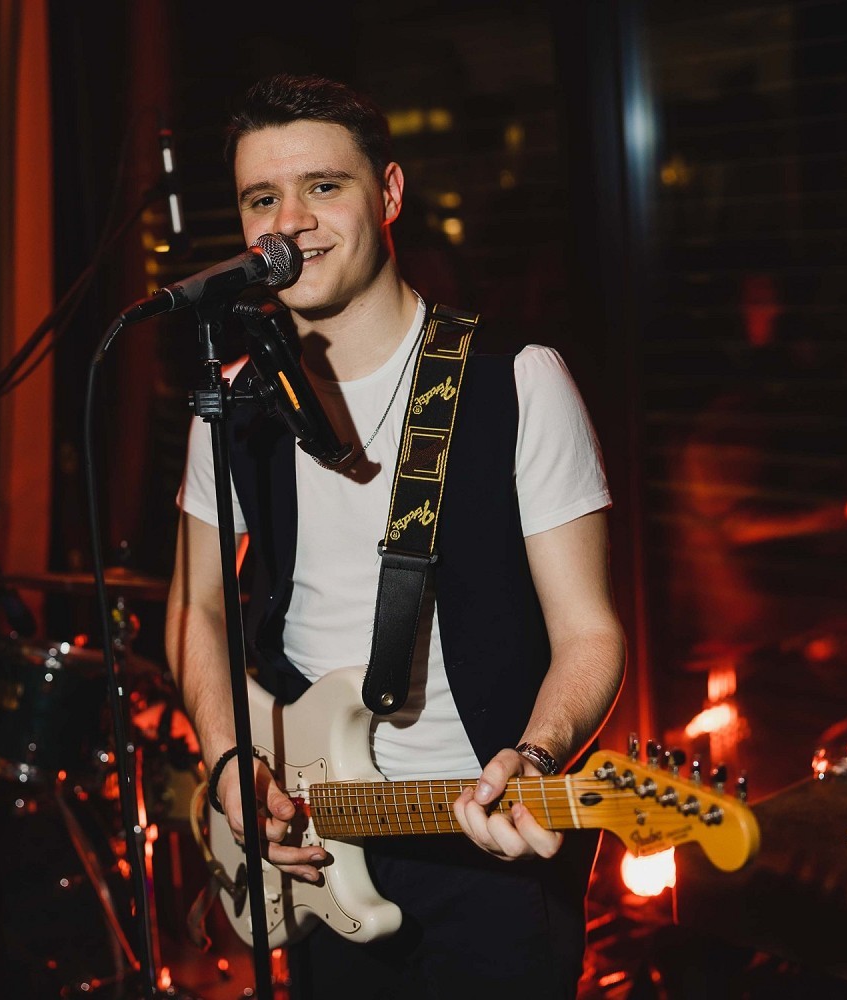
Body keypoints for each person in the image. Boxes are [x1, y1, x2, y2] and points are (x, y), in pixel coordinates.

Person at [165, 75, 626, 999]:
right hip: (312, 842)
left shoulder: (514, 382)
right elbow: (195, 605)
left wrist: (537, 756)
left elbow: (590, 633)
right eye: (263, 199)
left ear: (389, 193)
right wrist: (227, 763)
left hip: (482, 851)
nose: (291, 223)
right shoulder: (237, 403)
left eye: (323, 186)